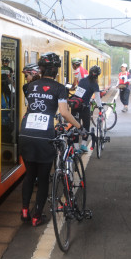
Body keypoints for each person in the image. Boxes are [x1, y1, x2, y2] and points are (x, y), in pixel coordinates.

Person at [19, 52, 81, 226]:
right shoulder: (60, 88)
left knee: (30, 174)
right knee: (43, 176)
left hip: (25, 133)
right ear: (56, 71)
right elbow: (64, 113)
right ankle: (37, 216)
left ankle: (25, 212)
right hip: (45, 136)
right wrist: (79, 127)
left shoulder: (29, 86)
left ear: (41, 69)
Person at [72, 65, 102, 153]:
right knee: (86, 126)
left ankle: (76, 147)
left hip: (75, 105)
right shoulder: (94, 84)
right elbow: (97, 99)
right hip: (84, 108)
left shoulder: (82, 80)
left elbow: (80, 93)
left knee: (76, 127)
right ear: (97, 75)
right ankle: (83, 146)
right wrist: (100, 107)